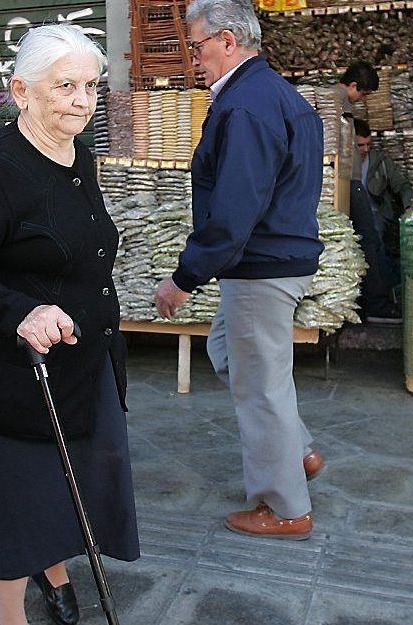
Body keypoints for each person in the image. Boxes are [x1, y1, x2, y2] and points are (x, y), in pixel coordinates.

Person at [0, 25, 139, 625]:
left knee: (68, 486)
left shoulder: (78, 156)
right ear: (21, 90)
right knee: (18, 499)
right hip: (15, 372)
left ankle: (56, 571)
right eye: (65, 86)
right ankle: (10, 615)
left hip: (83, 362)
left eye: (91, 87)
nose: (81, 100)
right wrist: (20, 312)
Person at [154, 0, 326, 541]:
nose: (195, 59)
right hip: (275, 259)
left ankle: (284, 507)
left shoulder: (246, 105)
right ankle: (296, 453)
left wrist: (184, 278)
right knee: (229, 350)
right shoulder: (274, 94)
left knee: (260, 385)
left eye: (198, 47)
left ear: (228, 41)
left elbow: (235, 209)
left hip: (261, 267)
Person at [352, 119, 413, 321]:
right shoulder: (344, 164)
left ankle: (377, 299)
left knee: (372, 238)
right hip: (351, 216)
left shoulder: (380, 162)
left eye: (368, 144)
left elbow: (402, 184)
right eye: (360, 145)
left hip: (376, 216)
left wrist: (409, 205)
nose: (365, 149)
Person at [335, 61, 380, 218]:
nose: (363, 99)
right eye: (364, 94)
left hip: (345, 178)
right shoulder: (339, 100)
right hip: (345, 178)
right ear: (353, 85)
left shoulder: (340, 99)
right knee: (367, 233)